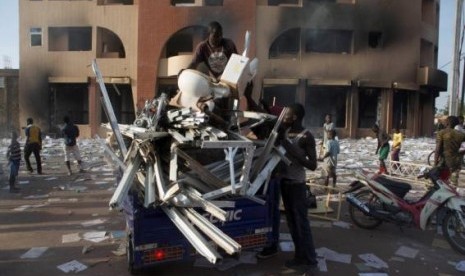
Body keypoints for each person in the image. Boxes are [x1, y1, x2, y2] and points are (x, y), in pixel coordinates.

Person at [274, 103, 319, 274]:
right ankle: (300, 257)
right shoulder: (284, 131)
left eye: (287, 115)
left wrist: (288, 146)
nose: (283, 117)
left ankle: (310, 260)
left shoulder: (306, 136)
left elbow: (313, 165)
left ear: (294, 117)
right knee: (292, 223)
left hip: (297, 185)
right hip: (285, 183)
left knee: (301, 223)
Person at [435, 116, 465, 186]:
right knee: (453, 184)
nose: (444, 122)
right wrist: (462, 152)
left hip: (444, 161)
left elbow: (437, 150)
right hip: (456, 162)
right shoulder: (461, 134)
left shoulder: (441, 133)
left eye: (445, 121)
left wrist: (435, 164)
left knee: (436, 181)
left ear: (448, 122)